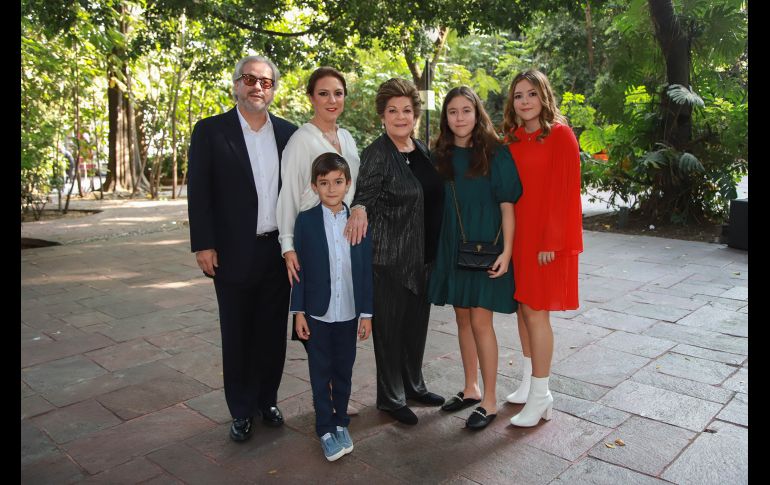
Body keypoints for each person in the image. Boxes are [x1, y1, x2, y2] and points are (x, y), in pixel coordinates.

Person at [187, 54, 298, 442]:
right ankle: (241, 409)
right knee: (237, 333)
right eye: (250, 79)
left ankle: (267, 400)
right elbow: (199, 190)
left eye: (266, 82)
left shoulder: (288, 134)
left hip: (277, 251)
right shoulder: (210, 131)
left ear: (274, 90)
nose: (257, 87)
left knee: (272, 331)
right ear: (236, 84)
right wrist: (203, 243)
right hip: (232, 251)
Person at [348, 78, 445, 425]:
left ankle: (413, 385)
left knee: (416, 329)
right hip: (389, 261)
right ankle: (391, 397)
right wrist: (359, 209)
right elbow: (363, 197)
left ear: (415, 114)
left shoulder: (421, 150)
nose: (400, 117)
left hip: (423, 257)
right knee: (389, 332)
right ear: (383, 116)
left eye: (406, 110)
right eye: (393, 111)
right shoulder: (377, 153)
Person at [427, 86, 522, 430]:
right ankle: (471, 388)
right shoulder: (440, 155)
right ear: (446, 117)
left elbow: (508, 206)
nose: (459, 118)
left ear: (477, 113)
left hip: (485, 247)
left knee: (482, 322)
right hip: (453, 245)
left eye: (466, 110)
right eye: (452, 112)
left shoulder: (496, 153)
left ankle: (490, 400)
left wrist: (507, 252)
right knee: (463, 319)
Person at [276, 66, 365, 416]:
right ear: (311, 97)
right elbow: (287, 194)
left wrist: (358, 209)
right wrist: (288, 245)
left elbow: (356, 186)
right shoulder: (301, 140)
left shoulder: (348, 138)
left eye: (338, 93)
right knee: (316, 319)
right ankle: (326, 401)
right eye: (324, 93)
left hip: (345, 235)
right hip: (312, 238)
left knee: (341, 315)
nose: (332, 100)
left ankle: (335, 393)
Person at [502, 69, 583, 427]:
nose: (524, 101)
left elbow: (566, 191)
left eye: (531, 93)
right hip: (519, 236)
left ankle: (542, 394)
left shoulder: (561, 135)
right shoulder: (514, 138)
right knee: (523, 310)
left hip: (545, 241)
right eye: (518, 95)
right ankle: (527, 383)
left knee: (537, 312)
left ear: (544, 96)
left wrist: (552, 239)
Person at [291, 152, 373, 461]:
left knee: (343, 371)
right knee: (319, 372)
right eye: (324, 183)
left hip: (349, 312)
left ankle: (341, 423)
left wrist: (367, 314)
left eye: (338, 182)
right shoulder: (305, 221)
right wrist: (298, 312)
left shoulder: (359, 222)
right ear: (314, 186)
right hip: (317, 313)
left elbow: (365, 271)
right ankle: (324, 428)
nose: (331, 189)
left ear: (348, 184)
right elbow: (299, 273)